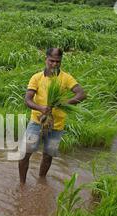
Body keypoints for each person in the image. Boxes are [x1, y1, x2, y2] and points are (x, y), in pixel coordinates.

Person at [19, 48, 86, 184]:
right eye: (52, 61)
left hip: (57, 126)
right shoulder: (37, 78)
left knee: (48, 155)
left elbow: (81, 94)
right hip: (37, 122)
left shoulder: (66, 78)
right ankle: (22, 184)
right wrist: (41, 108)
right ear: (46, 59)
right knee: (25, 154)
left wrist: (64, 103)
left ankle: (41, 181)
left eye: (58, 62)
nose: (54, 64)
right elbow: (28, 100)